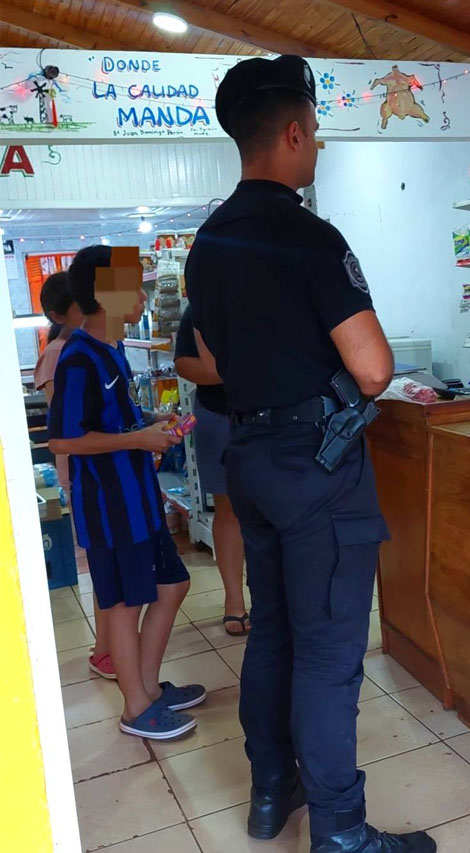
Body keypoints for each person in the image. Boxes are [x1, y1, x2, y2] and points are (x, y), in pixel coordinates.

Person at [187, 56, 437, 852]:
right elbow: (374, 369)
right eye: (317, 131)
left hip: (251, 458)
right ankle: (341, 832)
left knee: (273, 633)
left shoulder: (208, 242)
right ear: (293, 133)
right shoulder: (307, 235)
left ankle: (273, 792)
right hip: (316, 469)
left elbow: (206, 360)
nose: (320, 145)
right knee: (328, 654)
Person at [48, 245, 206, 740]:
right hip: (110, 507)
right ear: (103, 296)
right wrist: (137, 440)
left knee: (172, 585)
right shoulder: (78, 359)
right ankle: (136, 707)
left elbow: (112, 421)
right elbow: (63, 439)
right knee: (122, 604)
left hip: (140, 500)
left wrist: (151, 422)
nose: (142, 297)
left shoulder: (112, 348)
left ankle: (150, 690)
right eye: (133, 288)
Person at [35, 271, 115, 679]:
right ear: (58, 315)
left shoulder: (91, 345)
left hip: (103, 465)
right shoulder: (62, 354)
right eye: (81, 307)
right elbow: (66, 427)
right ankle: (105, 650)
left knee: (110, 562)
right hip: (86, 469)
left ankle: (111, 645)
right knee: (103, 562)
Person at [174, 304, 249, 635]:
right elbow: (183, 362)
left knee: (275, 508)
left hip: (273, 415)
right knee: (228, 507)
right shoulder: (202, 308)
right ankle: (234, 600)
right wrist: (227, 371)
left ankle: (275, 598)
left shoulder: (272, 296)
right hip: (218, 414)